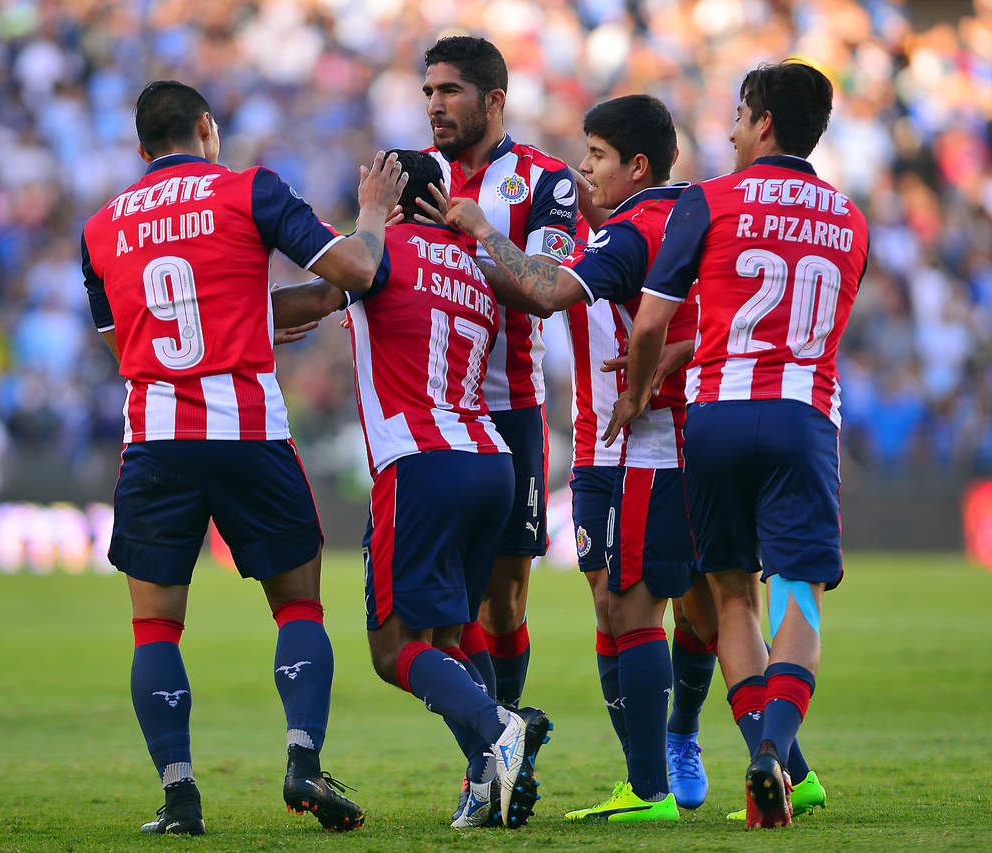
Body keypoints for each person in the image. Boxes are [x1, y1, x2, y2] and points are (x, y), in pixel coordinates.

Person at [79, 80, 406, 835]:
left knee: (155, 627)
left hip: (155, 440)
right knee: (298, 606)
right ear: (206, 127)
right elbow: (355, 272)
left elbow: (122, 345)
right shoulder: (248, 190)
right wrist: (373, 213)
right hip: (248, 431)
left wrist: (242, 316)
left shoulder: (100, 227)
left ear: (141, 147)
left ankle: (180, 797)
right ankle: (303, 761)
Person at [604, 61, 868, 828]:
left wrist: (639, 388)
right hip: (801, 417)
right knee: (798, 595)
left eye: (739, 117)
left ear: (764, 123)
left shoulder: (709, 201)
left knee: (731, 599)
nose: (728, 132)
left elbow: (650, 324)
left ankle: (765, 759)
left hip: (715, 417)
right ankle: (774, 751)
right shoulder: (850, 220)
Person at [443, 94, 711, 822]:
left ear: (637, 166)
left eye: (595, 156)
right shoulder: (635, 222)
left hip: (648, 441)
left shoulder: (640, 230)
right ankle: (648, 770)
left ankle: (665, 763)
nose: (581, 168)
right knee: (610, 601)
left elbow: (547, 291)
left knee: (664, 604)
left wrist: (481, 228)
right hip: (598, 443)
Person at [271, 150, 552, 830]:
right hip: (490, 459)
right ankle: (486, 776)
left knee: (394, 649)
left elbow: (317, 296)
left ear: (391, 196)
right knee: (452, 630)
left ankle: (500, 725)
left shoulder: (379, 252)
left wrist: (222, 315)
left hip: (420, 462)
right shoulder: (478, 269)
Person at [421, 37, 579, 733]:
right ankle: (492, 747)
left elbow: (546, 289)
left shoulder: (547, 181)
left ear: (493, 100)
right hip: (430, 410)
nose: (435, 106)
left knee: (505, 599)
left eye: (449, 91)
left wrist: (481, 236)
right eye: (429, 92)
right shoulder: (411, 174)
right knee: (442, 605)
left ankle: (507, 736)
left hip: (511, 406)